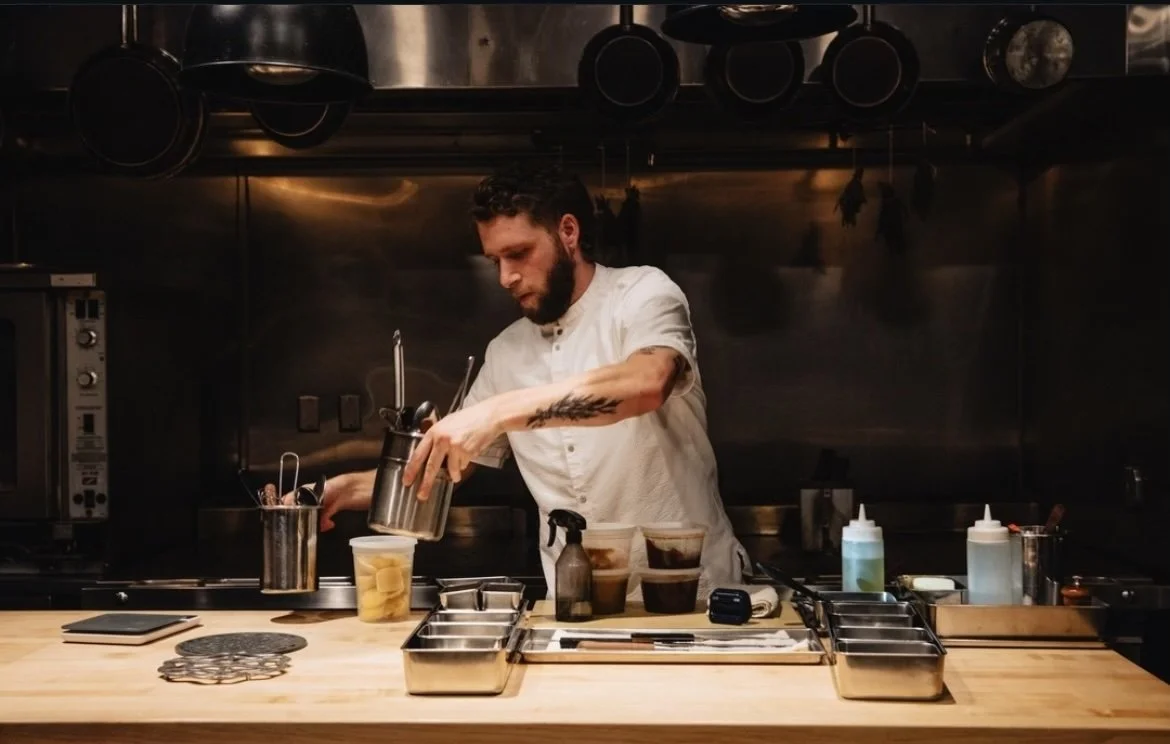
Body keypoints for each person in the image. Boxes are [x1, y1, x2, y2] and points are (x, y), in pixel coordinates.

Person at [315, 162, 751, 598]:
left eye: (519, 253)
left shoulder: (642, 294)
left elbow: (646, 383)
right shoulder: (506, 351)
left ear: (568, 232)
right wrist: (342, 489)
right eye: (495, 261)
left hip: (696, 595)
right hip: (577, 605)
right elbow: (450, 464)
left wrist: (497, 411)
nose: (505, 277)